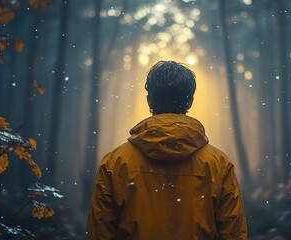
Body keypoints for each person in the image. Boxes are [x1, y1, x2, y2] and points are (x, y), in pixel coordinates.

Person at [86, 60, 247, 239]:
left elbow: (99, 234)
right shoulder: (219, 164)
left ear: (149, 100)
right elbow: (232, 234)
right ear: (190, 102)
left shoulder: (115, 163)